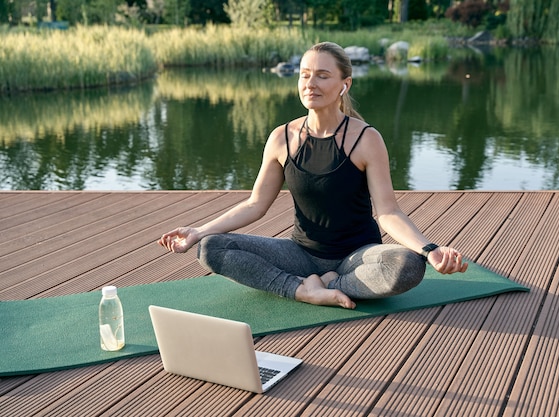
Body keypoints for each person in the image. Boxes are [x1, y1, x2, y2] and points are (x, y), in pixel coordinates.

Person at [158, 41, 468, 309]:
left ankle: (333, 283)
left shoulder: (366, 139)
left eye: (322, 76)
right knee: (211, 247)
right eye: (305, 75)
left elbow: (388, 212)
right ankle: (302, 290)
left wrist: (430, 250)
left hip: (358, 256)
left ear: (344, 84)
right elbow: (255, 205)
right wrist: (200, 230)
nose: (310, 84)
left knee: (407, 266)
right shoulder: (282, 137)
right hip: (301, 253)